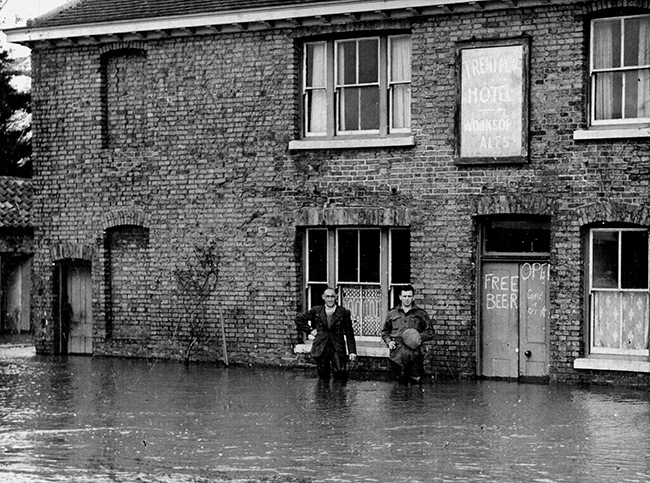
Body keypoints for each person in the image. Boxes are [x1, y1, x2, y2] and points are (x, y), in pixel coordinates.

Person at [295, 287, 357, 379]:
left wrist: (352, 351)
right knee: (323, 375)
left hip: (337, 347)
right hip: (321, 346)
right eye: (327, 296)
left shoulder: (343, 312)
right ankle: (323, 393)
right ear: (323, 297)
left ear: (336, 297)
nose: (330, 299)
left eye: (332, 296)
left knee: (340, 373)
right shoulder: (316, 310)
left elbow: (349, 332)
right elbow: (298, 319)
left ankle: (339, 393)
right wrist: (311, 330)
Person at [381, 285, 434, 384]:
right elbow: (385, 332)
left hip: (415, 354)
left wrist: (417, 337)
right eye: (404, 296)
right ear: (400, 297)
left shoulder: (421, 314)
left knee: (415, 384)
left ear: (413, 297)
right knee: (399, 384)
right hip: (397, 354)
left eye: (409, 296)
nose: (407, 299)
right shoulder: (392, 313)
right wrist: (389, 342)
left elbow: (430, 332)